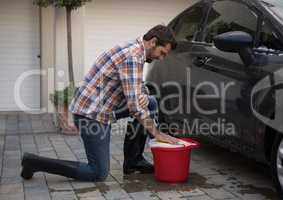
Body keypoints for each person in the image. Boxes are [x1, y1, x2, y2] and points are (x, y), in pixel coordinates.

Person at [20, 25, 179, 182]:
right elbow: (135, 106)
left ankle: (133, 161)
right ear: (153, 42)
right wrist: (158, 133)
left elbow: (137, 83)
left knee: (149, 102)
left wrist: (143, 93)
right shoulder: (132, 55)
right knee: (97, 173)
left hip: (104, 108)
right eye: (162, 52)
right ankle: (34, 162)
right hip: (91, 115)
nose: (161, 58)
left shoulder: (137, 49)